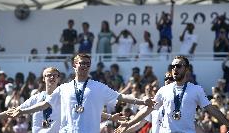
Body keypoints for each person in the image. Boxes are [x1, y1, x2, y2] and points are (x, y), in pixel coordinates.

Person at [9, 53, 154, 133]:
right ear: (74, 65)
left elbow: (121, 96)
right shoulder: (64, 88)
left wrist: (142, 102)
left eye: (87, 64)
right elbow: (44, 104)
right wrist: (22, 111)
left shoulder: (98, 87)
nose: (84, 66)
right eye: (81, 63)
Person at [115, 55, 229, 133]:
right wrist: (128, 123)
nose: (175, 69)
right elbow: (147, 110)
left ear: (186, 69)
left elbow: (212, 110)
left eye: (179, 66)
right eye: (173, 66)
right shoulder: (163, 90)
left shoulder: (196, 89)